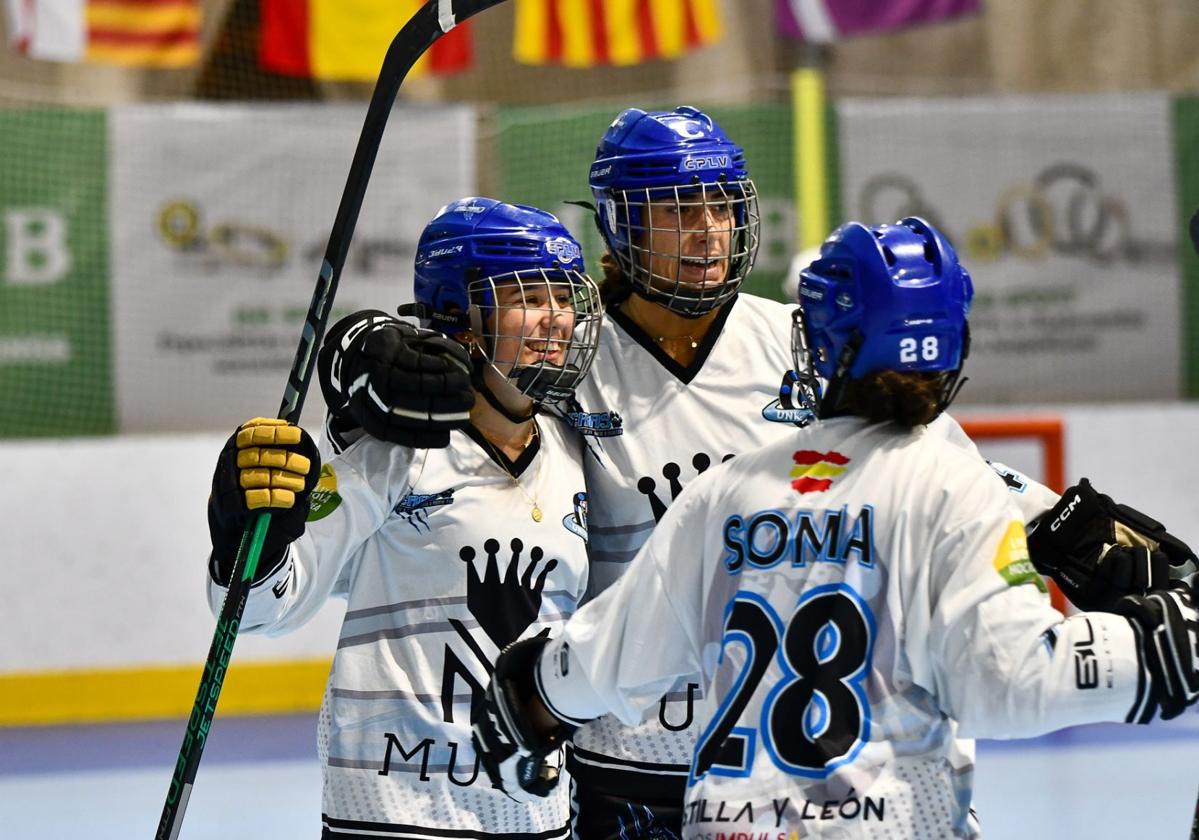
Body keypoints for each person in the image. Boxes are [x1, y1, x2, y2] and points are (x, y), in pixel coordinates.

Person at [312, 108, 1193, 839]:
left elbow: (919, 463)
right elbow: (453, 379)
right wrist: (363, 348)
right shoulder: (566, 348)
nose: (705, 230)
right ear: (620, 223)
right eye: (676, 207)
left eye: (721, 205)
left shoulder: (798, 338)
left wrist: (1057, 524)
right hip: (625, 768)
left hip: (788, 767)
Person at [470, 217, 1199, 839]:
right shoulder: (952, 483)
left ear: (818, 341)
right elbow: (1004, 677)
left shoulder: (726, 489)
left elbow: (605, 661)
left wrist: (532, 683)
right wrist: (1160, 644)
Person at [204, 197, 604, 839]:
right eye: (530, 296)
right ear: (460, 319)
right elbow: (261, 609)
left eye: (564, 296)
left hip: (535, 814)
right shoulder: (392, 457)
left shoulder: (579, 453)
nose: (556, 319)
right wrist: (245, 541)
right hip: (392, 814)